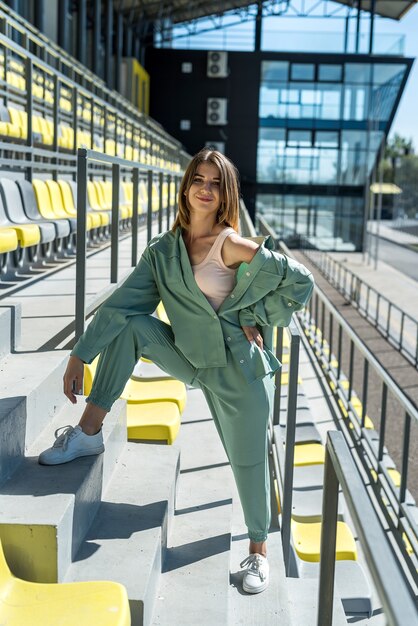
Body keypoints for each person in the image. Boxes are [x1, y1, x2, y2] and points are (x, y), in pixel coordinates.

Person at [38, 148, 314, 594]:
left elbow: (300, 281)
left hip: (239, 371)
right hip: (190, 359)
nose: (205, 189)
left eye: (215, 183)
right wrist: (80, 354)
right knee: (133, 325)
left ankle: (258, 552)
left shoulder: (231, 242)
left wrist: (252, 312)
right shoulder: (164, 251)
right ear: (185, 187)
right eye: (198, 180)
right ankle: (89, 431)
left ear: (225, 195)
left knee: (246, 464)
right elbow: (123, 304)